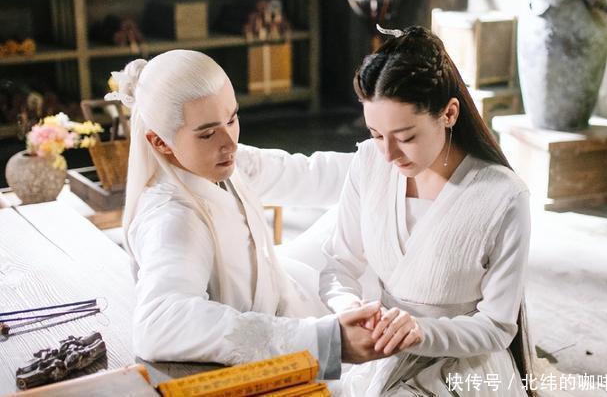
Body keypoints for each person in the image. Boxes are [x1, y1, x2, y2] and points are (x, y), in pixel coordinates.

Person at [104, 49, 404, 380]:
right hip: (274, 323)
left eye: (232, 119)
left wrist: (399, 160)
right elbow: (160, 324)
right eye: (207, 133)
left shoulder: (221, 160)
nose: (229, 142)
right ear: (160, 142)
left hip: (281, 281)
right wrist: (328, 340)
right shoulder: (172, 219)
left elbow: (306, 174)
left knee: (367, 206)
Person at [319, 25, 535, 396]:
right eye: (376, 134)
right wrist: (351, 310)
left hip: (464, 367)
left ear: (449, 113)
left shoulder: (504, 196)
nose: (388, 154)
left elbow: (497, 326)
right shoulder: (369, 162)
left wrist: (422, 332)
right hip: (383, 353)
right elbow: (339, 265)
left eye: (406, 137)